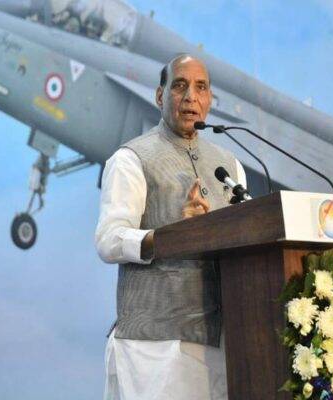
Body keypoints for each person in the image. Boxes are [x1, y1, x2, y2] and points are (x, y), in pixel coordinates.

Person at [95, 54, 247, 400]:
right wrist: (171, 236)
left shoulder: (230, 166)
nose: (191, 96)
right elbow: (108, 239)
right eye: (180, 86)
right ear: (160, 96)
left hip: (219, 344)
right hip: (152, 348)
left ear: (210, 99)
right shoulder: (131, 159)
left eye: (201, 87)